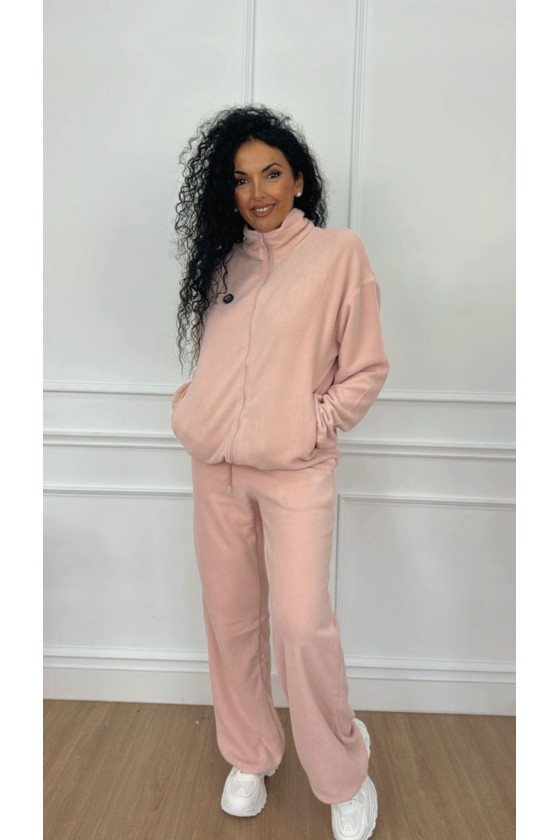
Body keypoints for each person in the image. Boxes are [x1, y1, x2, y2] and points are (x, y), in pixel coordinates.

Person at [171, 104, 389, 840]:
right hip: (216, 472)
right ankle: (250, 754)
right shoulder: (223, 263)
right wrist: (193, 411)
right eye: (241, 180)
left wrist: (310, 423)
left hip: (296, 471)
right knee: (231, 621)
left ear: (299, 180)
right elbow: (215, 362)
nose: (257, 192)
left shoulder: (338, 255)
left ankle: (343, 773)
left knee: (301, 625)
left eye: (271, 174)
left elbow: (365, 369)